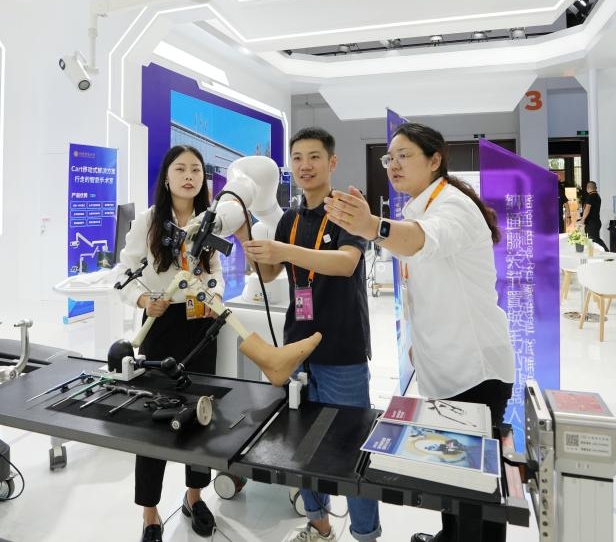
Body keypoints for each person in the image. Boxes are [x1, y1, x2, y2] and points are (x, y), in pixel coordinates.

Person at [323, 122, 516, 542]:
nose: (394, 164)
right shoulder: (418, 207)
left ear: (435, 160)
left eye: (404, 155)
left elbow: (422, 241)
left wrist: (373, 226)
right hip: (441, 365)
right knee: (449, 473)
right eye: (389, 157)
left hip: (474, 369)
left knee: (477, 489)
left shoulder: (452, 207)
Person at [239, 127, 381, 542]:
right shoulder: (289, 218)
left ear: (332, 162)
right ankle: (318, 525)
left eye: (314, 156)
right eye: (298, 157)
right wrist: (251, 243)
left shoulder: (350, 210)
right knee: (304, 443)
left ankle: (365, 534)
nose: (305, 165)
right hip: (295, 349)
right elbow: (272, 274)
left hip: (343, 348)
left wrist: (284, 251)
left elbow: (345, 263)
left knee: (352, 445)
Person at [116, 145, 224, 541]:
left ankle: (194, 497)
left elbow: (215, 271)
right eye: (181, 168)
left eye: (196, 169)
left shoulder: (209, 221)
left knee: (200, 414)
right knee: (153, 420)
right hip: (159, 325)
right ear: (166, 177)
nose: (189, 175)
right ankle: (149, 512)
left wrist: (215, 296)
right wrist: (144, 300)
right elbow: (126, 270)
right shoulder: (147, 221)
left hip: (200, 324)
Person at [579, 180, 608, 251]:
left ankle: (607, 252)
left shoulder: (591, 196)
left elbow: (587, 209)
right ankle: (592, 254)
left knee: (595, 239)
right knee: (592, 240)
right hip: (594, 222)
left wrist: (582, 219)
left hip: (592, 223)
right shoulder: (597, 196)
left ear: (588, 188)